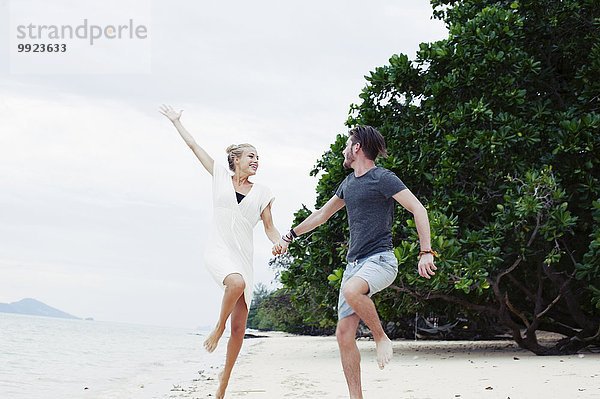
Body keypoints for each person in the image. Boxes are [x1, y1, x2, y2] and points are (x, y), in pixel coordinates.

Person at [273, 125, 437, 399]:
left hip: (381, 261)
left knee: (351, 290)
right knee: (344, 334)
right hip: (354, 265)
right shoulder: (348, 184)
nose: (343, 150)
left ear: (357, 147)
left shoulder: (383, 178)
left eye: (347, 145)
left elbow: (417, 207)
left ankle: (381, 337)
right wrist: (290, 235)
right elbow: (321, 215)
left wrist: (426, 251)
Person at [159, 105, 282, 399]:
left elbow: (269, 227)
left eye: (258, 157)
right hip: (218, 250)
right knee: (235, 283)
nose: (256, 161)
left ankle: (223, 385)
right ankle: (217, 326)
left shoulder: (263, 191)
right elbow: (193, 147)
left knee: (239, 329)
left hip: (244, 257)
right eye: (251, 156)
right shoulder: (218, 177)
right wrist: (177, 122)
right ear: (235, 160)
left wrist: (279, 241)